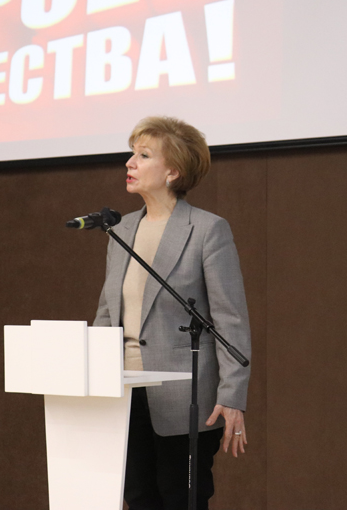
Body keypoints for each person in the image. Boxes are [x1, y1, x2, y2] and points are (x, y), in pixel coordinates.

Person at [93, 116, 251, 509]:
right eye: (132, 153)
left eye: (144, 155)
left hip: (185, 396)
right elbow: (107, 314)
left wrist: (233, 395)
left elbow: (230, 320)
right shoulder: (120, 230)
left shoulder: (207, 230)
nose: (130, 163)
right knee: (138, 497)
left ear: (173, 171)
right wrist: (92, 376)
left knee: (181, 498)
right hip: (125, 391)